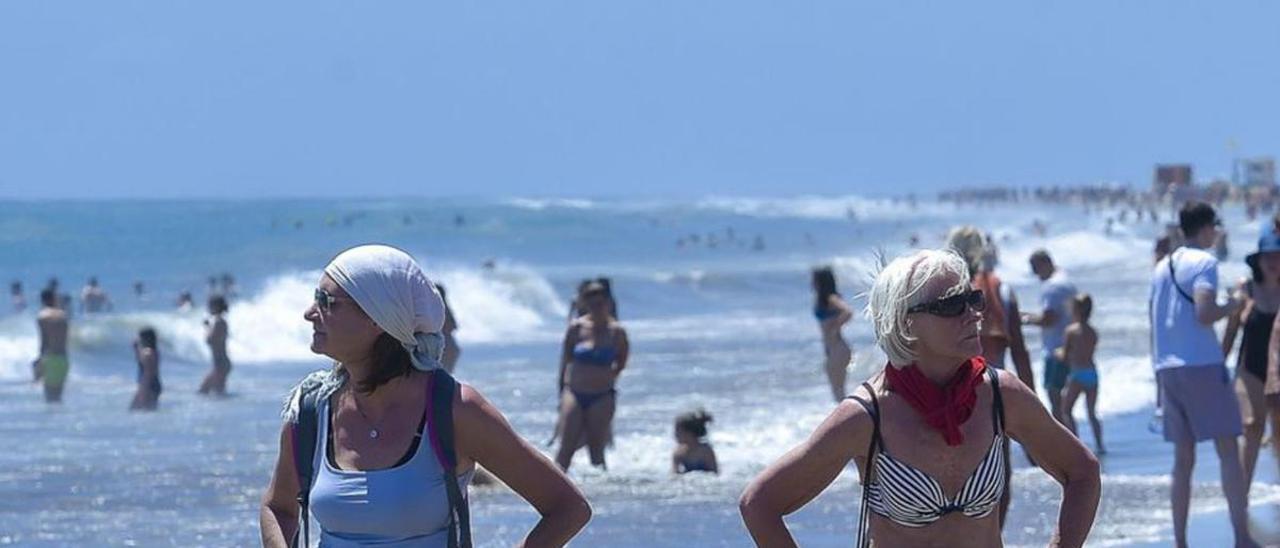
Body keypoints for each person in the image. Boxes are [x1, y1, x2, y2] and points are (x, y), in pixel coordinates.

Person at [740, 249, 1100, 547]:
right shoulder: (867, 417)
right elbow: (760, 504)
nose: (973, 314)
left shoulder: (1000, 395)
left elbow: (1082, 471)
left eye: (972, 299)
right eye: (951, 306)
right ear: (905, 322)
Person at [259, 244, 590, 547]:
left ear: (378, 318)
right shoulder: (312, 410)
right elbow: (278, 507)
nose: (309, 312)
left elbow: (567, 508)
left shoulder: (453, 409)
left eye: (326, 301)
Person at [1150, 201, 1258, 548]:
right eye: (1216, 226)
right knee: (1228, 449)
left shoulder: (1161, 266)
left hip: (1167, 367)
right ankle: (1241, 537)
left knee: (1183, 461)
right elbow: (1205, 311)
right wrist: (1236, 304)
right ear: (1207, 227)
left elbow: (1154, 322)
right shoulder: (1205, 262)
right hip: (1202, 365)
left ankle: (1180, 541)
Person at [1222, 224, 1280, 500]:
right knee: (1252, 425)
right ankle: (1240, 500)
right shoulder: (1246, 289)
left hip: (1278, 372)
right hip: (1250, 370)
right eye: (1268, 256)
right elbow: (1231, 331)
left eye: (1278, 255)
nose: (1273, 262)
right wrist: (1218, 365)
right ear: (1258, 259)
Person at [946, 227, 1035, 389]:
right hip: (993, 391)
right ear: (981, 252)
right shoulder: (1003, 291)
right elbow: (1019, 353)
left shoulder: (940, 296)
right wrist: (1033, 402)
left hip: (951, 394)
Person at [555, 280, 629, 471]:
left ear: (608, 304)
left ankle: (600, 494)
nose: (597, 308)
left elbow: (621, 362)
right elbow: (565, 362)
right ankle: (553, 489)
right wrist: (561, 393)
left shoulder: (617, 332)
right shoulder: (576, 329)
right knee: (566, 448)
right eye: (592, 304)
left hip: (602, 395)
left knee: (597, 450)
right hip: (575, 392)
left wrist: (606, 377)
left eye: (601, 303)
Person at [1023, 249, 1078, 423]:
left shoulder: (1051, 287)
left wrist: (1023, 320)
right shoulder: (1066, 280)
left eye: (1035, 268)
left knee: (1055, 397)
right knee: (1065, 402)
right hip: (1070, 346)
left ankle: (1064, 444)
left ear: (1044, 263)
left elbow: (1049, 319)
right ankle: (1073, 440)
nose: (1034, 273)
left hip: (1055, 349)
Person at [1057, 294, 1104, 455]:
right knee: (1091, 413)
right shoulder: (1093, 332)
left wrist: (1056, 353)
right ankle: (1100, 445)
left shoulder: (1071, 331)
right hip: (1092, 373)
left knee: (1066, 410)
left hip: (1077, 374)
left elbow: (1065, 355)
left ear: (1075, 310)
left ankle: (1077, 444)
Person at [812, 267, 854, 401]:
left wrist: (835, 327)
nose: (812, 283)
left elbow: (848, 312)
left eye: (814, 280)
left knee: (839, 392)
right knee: (838, 392)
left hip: (838, 348)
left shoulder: (831, 298)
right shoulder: (823, 300)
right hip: (834, 349)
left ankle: (852, 418)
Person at [35, 289, 71, 403]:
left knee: (49, 399)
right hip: (63, 359)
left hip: (50, 358)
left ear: (42, 300)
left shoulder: (42, 316)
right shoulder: (63, 315)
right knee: (58, 398)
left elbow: (44, 342)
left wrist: (39, 362)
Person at [197, 295, 231, 396]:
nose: (208, 308)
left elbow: (210, 340)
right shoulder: (222, 321)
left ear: (216, 307)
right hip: (222, 363)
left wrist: (207, 327)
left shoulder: (218, 322)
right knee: (219, 394)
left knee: (203, 391)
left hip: (220, 364)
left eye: (210, 306)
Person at [672, 408, 718, 474]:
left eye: (678, 431)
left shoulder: (706, 451)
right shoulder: (678, 453)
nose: (675, 434)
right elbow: (674, 475)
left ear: (689, 433)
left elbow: (715, 473)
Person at [130, 327, 162, 411]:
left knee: (136, 410)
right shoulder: (153, 351)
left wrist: (143, 388)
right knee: (148, 411)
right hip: (153, 384)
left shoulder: (147, 353)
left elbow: (148, 372)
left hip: (147, 384)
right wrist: (136, 349)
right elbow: (141, 363)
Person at [435, 283, 461, 374]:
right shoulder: (445, 307)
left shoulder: (434, 308)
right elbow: (454, 326)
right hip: (451, 347)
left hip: (443, 348)